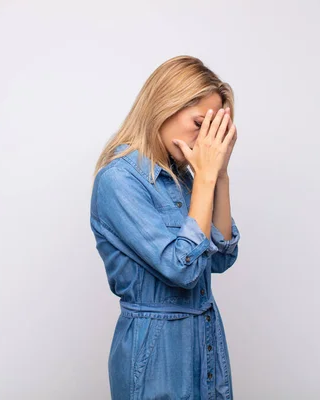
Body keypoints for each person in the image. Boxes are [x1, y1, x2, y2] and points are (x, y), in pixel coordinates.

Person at [89, 55, 240, 400]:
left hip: (203, 338)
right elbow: (181, 268)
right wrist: (204, 177)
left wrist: (219, 175)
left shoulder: (183, 178)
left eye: (215, 131)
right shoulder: (119, 180)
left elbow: (219, 259)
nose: (206, 141)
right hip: (157, 352)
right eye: (200, 123)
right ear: (165, 106)